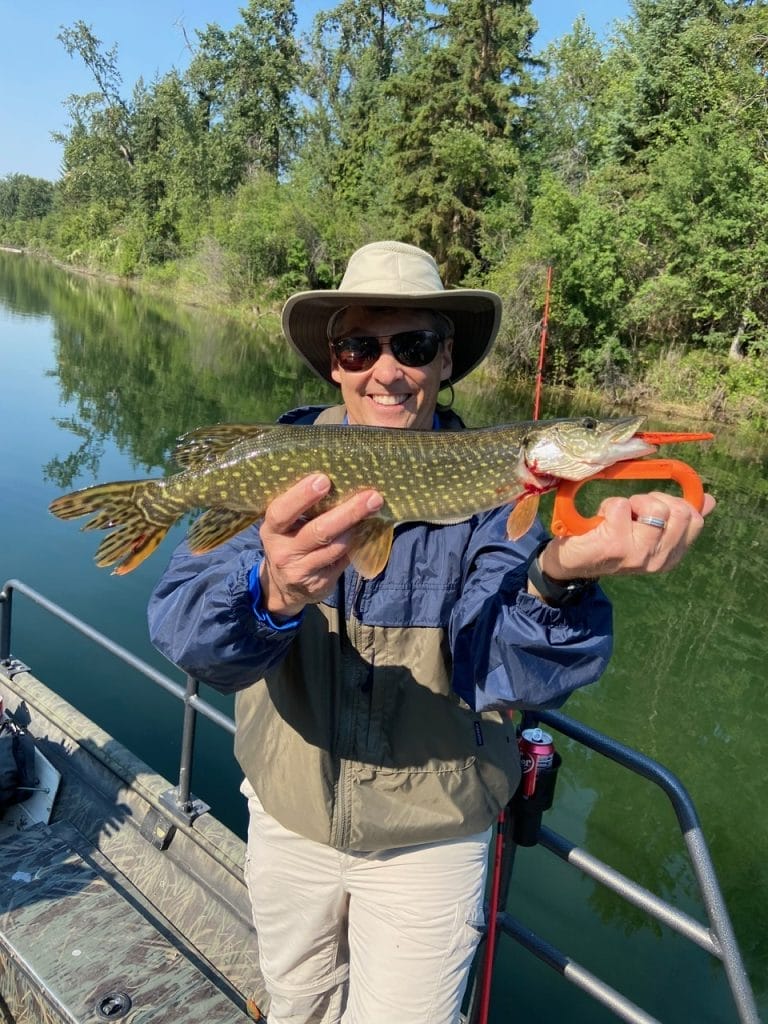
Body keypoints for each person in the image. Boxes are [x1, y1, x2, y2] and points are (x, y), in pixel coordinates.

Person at [147, 240, 714, 1024]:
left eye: (413, 346)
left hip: (431, 839)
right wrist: (270, 591)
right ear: (334, 364)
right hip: (288, 818)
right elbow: (185, 636)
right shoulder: (290, 466)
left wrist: (560, 573)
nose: (388, 370)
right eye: (360, 346)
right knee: (296, 1007)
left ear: (446, 359)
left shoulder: (499, 496)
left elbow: (500, 670)